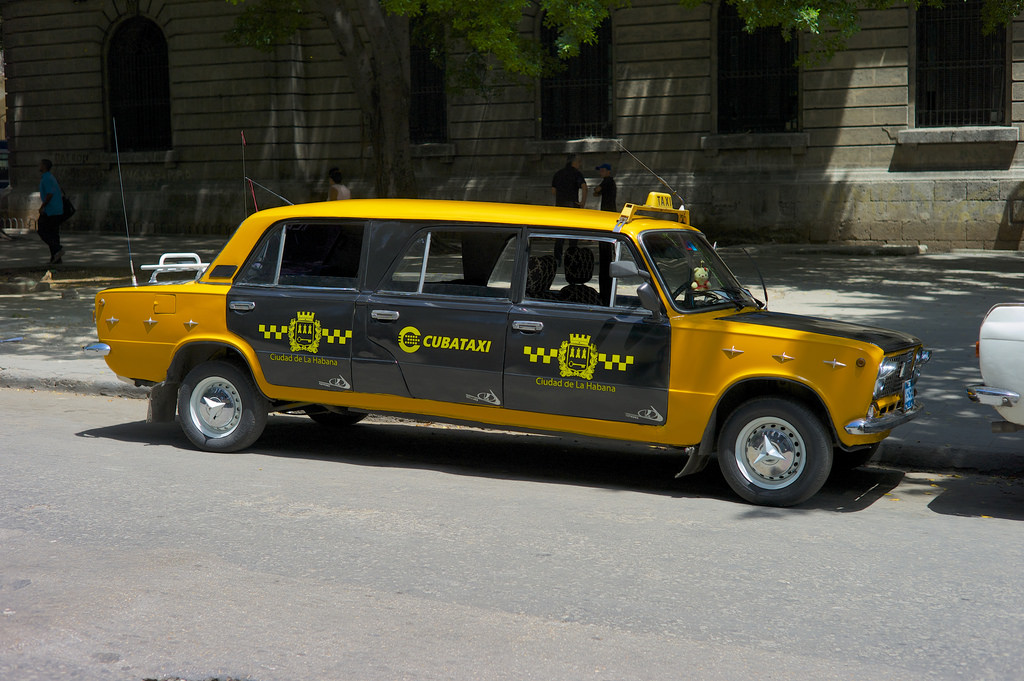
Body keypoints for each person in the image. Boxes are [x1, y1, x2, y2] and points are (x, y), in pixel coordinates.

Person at [37, 159, 65, 264]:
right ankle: (56, 258)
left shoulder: (46, 178)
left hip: (51, 210)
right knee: (54, 233)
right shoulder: (50, 177)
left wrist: (42, 206)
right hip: (57, 209)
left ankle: (57, 249)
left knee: (42, 230)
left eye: (40, 164)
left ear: (44, 166)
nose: (39, 166)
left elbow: (49, 194)